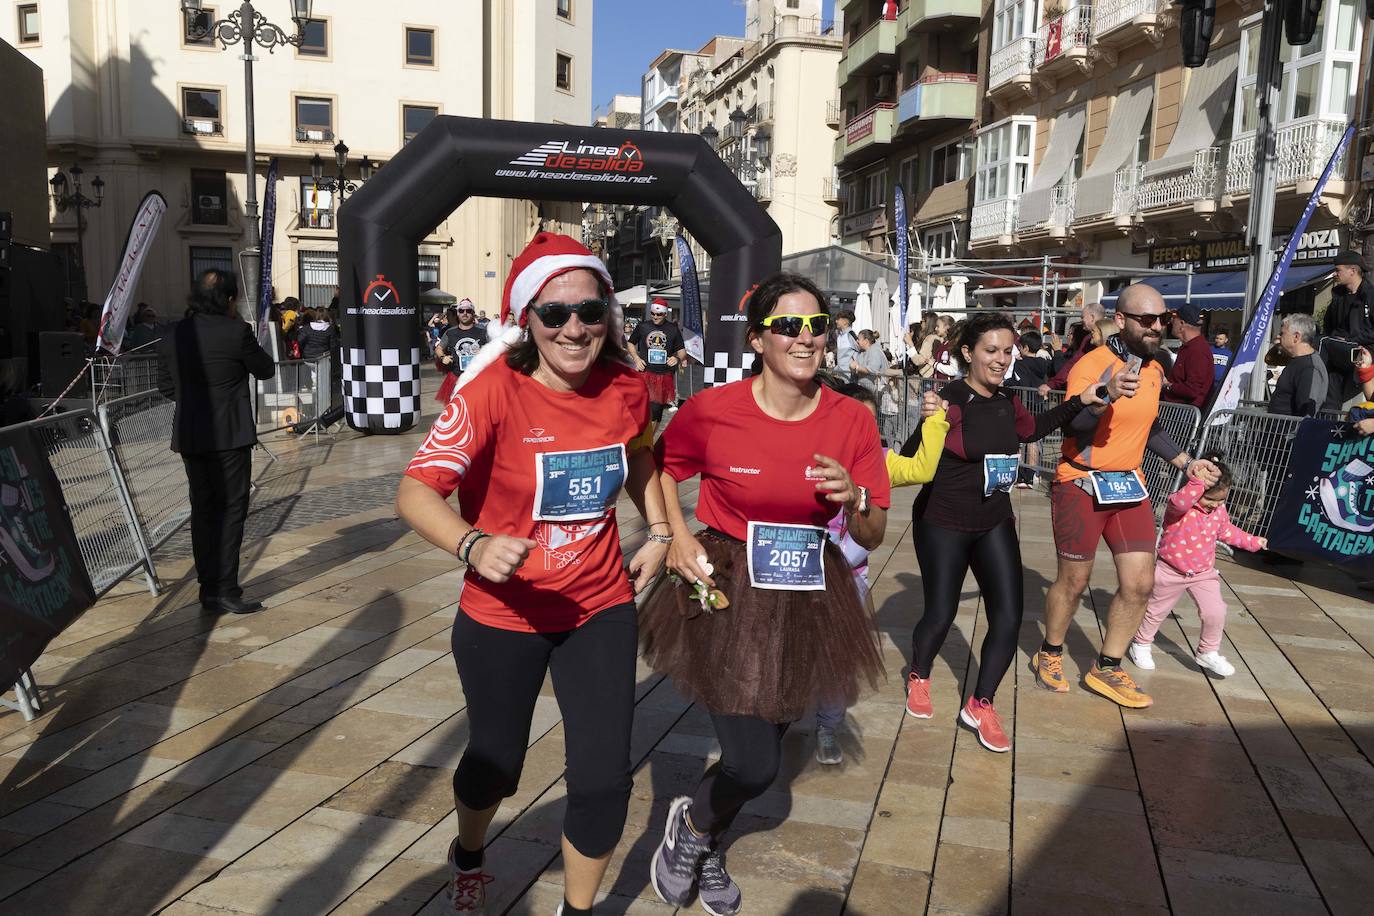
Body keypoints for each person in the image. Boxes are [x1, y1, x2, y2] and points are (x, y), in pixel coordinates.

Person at [395, 232, 669, 916]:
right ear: (527, 319)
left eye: (589, 311)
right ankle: (469, 850)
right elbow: (415, 491)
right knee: (496, 766)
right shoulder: (491, 392)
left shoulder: (628, 387)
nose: (574, 328)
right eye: (554, 314)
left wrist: (662, 531)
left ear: (608, 314)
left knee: (605, 782)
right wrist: (471, 545)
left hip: (600, 605)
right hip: (503, 615)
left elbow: (642, 458)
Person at [641, 273, 889, 916]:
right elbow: (661, 467)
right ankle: (693, 827)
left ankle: (708, 840)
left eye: (816, 326)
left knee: (772, 734)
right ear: (758, 338)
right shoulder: (715, 409)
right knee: (752, 763)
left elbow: (875, 527)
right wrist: (670, 537)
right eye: (788, 326)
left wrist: (854, 497)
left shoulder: (852, 417)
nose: (805, 338)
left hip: (809, 585)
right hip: (725, 579)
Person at [902, 312, 1108, 751]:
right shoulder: (949, 401)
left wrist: (1082, 400)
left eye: (1007, 350)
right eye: (990, 351)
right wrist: (927, 423)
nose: (1001, 359)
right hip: (943, 521)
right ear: (967, 353)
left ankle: (982, 702)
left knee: (1009, 618)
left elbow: (1034, 428)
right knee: (940, 614)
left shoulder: (1007, 401)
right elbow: (907, 460)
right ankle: (919, 673)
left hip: (994, 520)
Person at [1035, 283, 1221, 709]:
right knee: (1075, 581)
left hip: (1127, 485)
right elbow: (1074, 427)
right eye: (1147, 320)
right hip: (1080, 482)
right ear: (1121, 320)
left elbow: (1148, 426)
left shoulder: (1158, 365)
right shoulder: (1094, 364)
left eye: (1162, 318)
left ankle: (1107, 666)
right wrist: (1106, 395)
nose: (1158, 327)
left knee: (1140, 583)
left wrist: (1184, 462)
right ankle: (1050, 652)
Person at [814, 382, 949, 765]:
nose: (861, 431)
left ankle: (827, 725)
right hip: (798, 570)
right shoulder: (811, 456)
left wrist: (935, 420)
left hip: (850, 577)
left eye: (869, 424)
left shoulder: (881, 461)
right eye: (851, 420)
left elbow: (923, 467)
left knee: (838, 654)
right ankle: (776, 717)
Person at [156, 268, 275, 615]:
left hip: (192, 434)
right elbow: (265, 369)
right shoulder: (237, 331)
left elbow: (166, 386)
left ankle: (208, 588)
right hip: (230, 435)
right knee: (231, 511)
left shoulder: (173, 334)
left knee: (203, 510)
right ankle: (225, 588)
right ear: (229, 298)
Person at [1129, 456, 1266, 678]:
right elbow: (1179, 502)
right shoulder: (1179, 508)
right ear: (1196, 491)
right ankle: (1141, 644)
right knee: (1156, 611)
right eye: (1211, 500)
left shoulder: (1218, 512)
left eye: (1221, 501)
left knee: (1216, 611)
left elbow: (1227, 531)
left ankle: (1208, 651)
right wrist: (1197, 482)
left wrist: (1253, 542)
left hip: (1203, 573)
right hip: (1170, 570)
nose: (1215, 505)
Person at [1322, 251, 1374, 411]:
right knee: (1330, 378)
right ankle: (1328, 422)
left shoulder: (1370, 296)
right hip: (1340, 350)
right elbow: (1329, 325)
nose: (1335, 274)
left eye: (1338, 270)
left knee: (1323, 345)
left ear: (1352, 271)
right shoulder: (1338, 297)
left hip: (1364, 349)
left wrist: (1352, 338)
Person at [628, 299, 687, 422]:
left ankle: (650, 440)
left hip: (663, 376)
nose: (655, 316)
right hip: (645, 373)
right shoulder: (643, 326)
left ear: (665, 314)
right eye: (653, 313)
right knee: (640, 409)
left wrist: (677, 358)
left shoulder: (673, 329)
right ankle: (642, 438)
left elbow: (682, 351)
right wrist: (636, 359)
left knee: (656, 412)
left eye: (659, 314)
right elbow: (630, 343)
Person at [1267, 313, 1328, 418]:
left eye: (1282, 333)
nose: (1278, 336)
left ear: (1296, 337)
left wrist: (1294, 434)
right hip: (1275, 431)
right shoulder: (1296, 361)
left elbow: (1307, 411)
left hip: (1289, 433)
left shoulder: (1310, 367)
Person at [1161, 302, 1213, 407]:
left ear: (1181, 324)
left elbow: (1193, 390)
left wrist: (1167, 385)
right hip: (1179, 411)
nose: (1171, 322)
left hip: (1184, 415)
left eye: (1174, 319)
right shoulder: (1189, 347)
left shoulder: (1197, 350)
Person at [832, 309, 859, 381]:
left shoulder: (850, 334)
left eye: (838, 319)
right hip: (840, 373)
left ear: (845, 321)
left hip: (849, 375)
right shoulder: (840, 336)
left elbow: (861, 350)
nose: (836, 321)